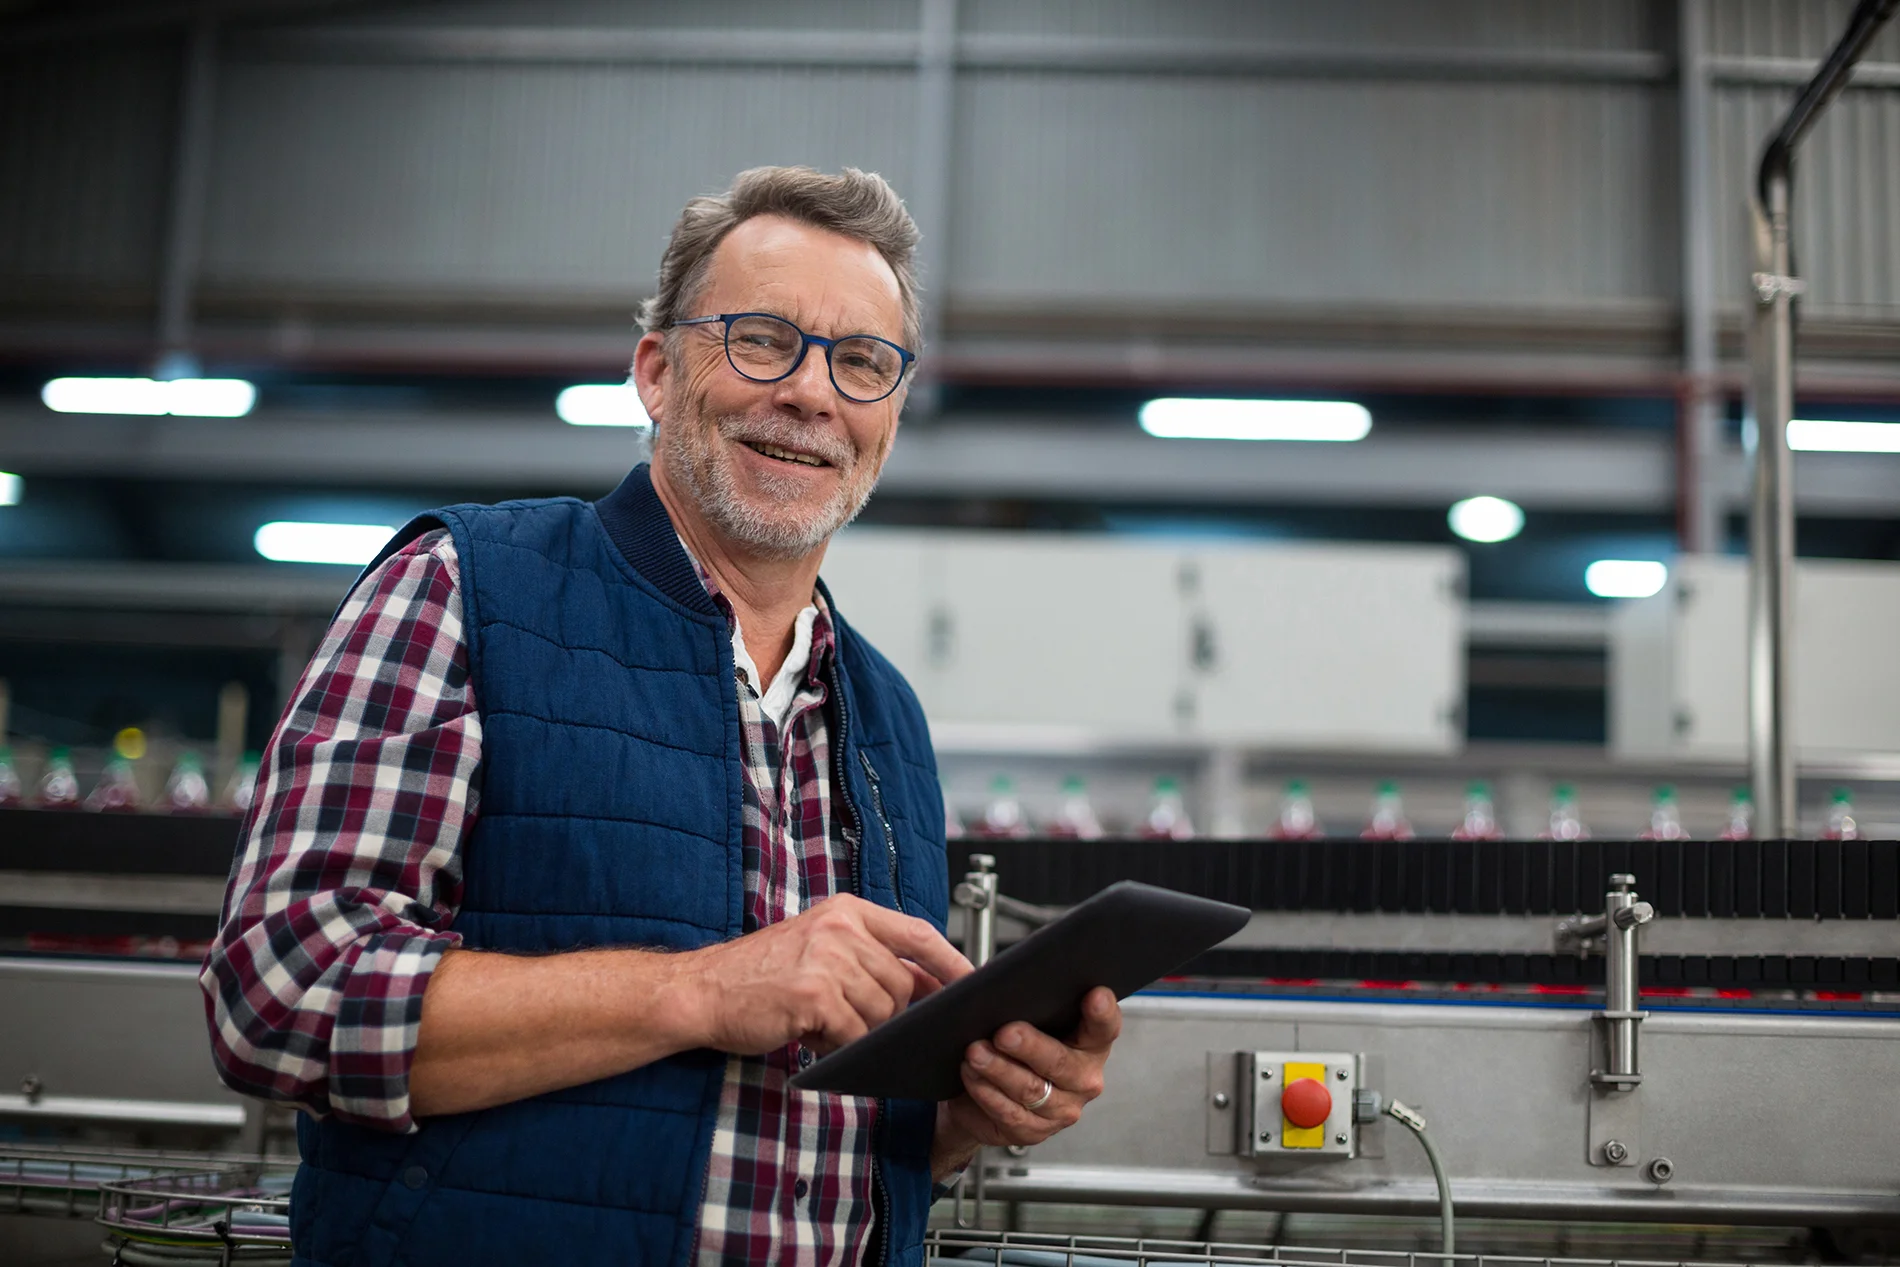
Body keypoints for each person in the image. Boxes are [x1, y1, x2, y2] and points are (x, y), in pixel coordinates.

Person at [199, 166, 1122, 1267]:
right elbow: (279, 993)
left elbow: (838, 1143)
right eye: (763, 340)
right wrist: (702, 988)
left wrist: (974, 1107)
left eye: (861, 363)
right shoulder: (465, 591)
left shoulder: (886, 720)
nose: (813, 396)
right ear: (654, 371)